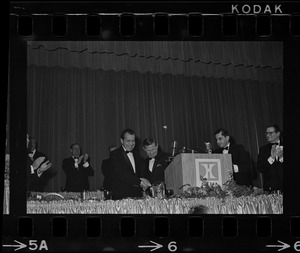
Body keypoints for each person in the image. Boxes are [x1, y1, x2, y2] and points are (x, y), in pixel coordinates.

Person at [110, 128, 150, 200]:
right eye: (128, 141)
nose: (131, 144)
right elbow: (121, 174)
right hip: (121, 196)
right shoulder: (115, 154)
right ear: (122, 141)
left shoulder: (137, 155)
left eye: (133, 141)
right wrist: (140, 183)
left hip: (137, 196)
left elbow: (142, 172)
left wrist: (147, 181)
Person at [257, 124, 283, 192]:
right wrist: (271, 158)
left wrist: (281, 158)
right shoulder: (263, 149)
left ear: (278, 133)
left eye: (270, 133)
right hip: (270, 189)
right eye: (266, 133)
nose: (267, 135)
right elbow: (260, 168)